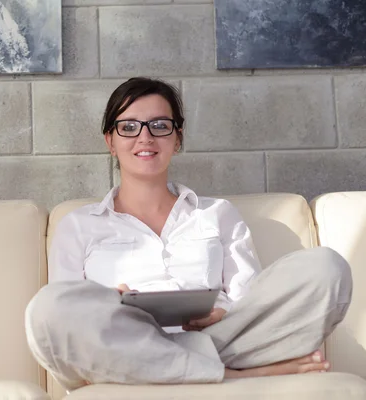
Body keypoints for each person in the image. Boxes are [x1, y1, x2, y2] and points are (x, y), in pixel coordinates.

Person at [24, 77, 353, 392]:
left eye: (159, 126)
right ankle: (233, 376)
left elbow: (248, 300)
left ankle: (192, 368)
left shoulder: (216, 213)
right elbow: (69, 310)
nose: (145, 138)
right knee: (48, 308)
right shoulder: (78, 224)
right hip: (123, 345)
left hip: (219, 340)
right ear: (110, 141)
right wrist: (112, 302)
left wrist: (221, 314)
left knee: (327, 267)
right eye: (129, 127)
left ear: (177, 138)